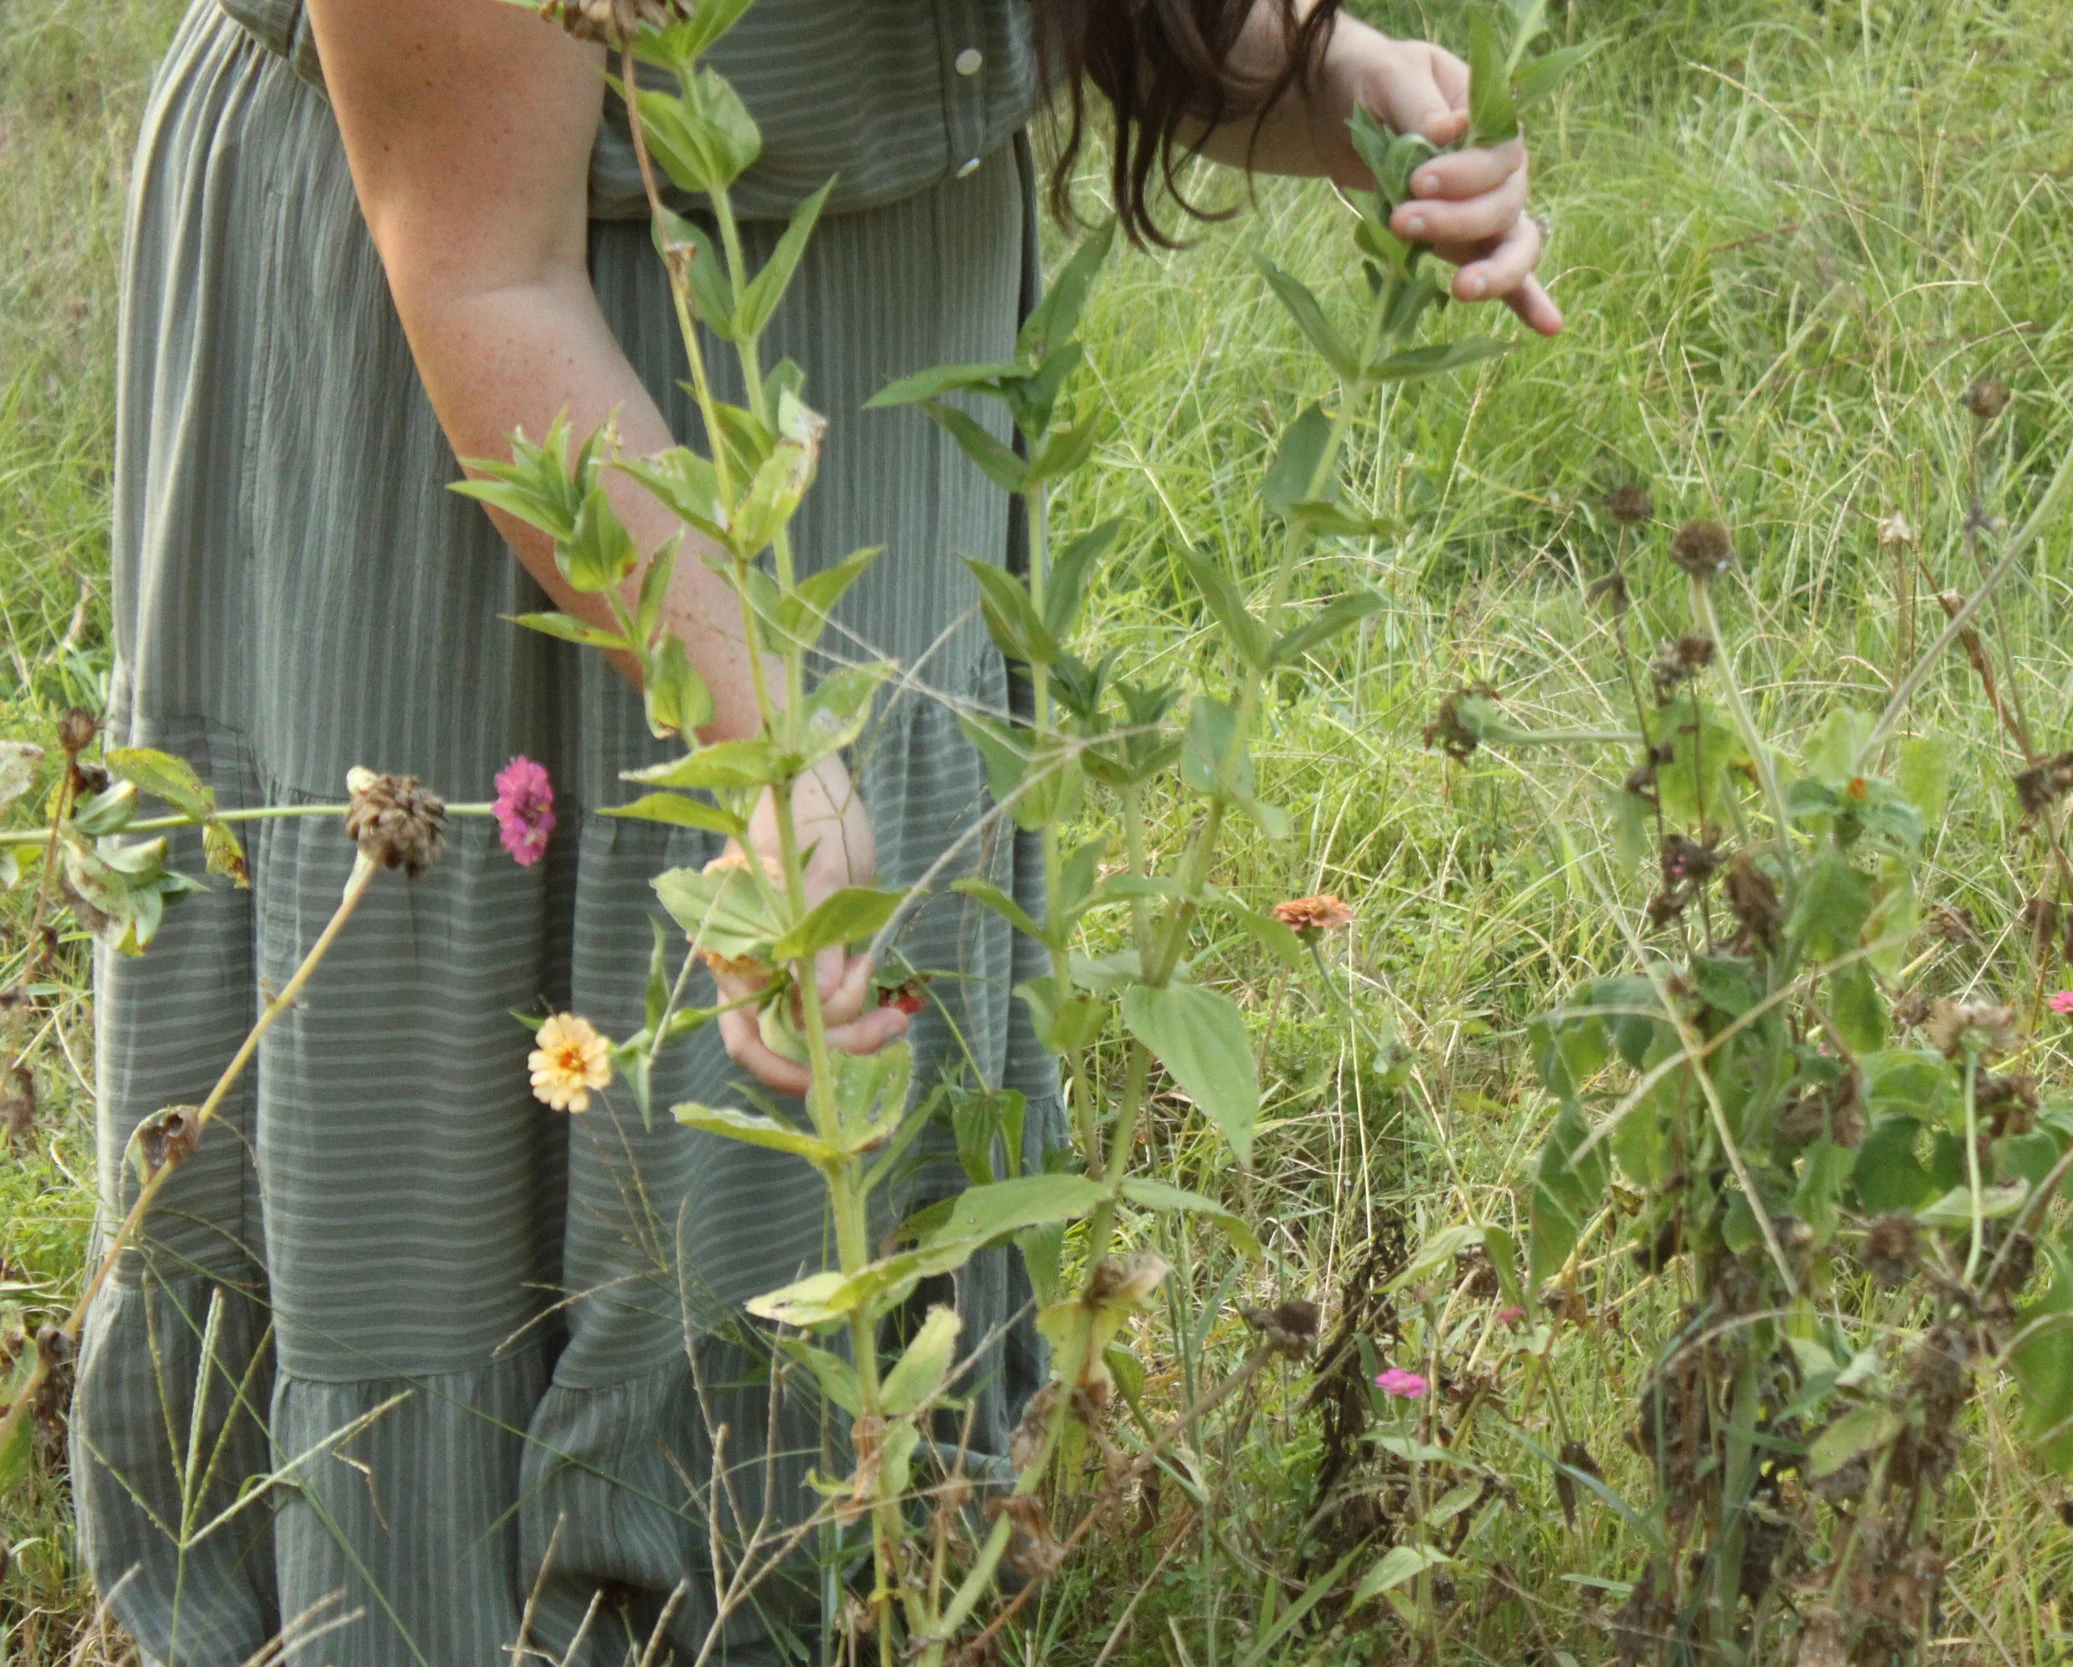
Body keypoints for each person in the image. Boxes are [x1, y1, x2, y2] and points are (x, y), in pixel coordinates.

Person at [74, 0, 1557, 1659]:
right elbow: (480, 264)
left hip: (858, 318)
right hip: (484, 332)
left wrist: (1323, 76)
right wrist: (764, 736)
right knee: (501, 1080)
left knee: (829, 1045)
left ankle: (833, 1572)